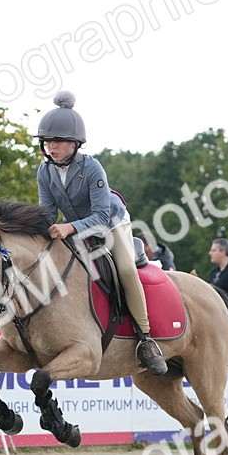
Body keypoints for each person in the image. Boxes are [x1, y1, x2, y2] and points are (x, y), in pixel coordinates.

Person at [34, 91, 166, 375]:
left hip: (111, 223)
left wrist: (68, 227)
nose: (51, 146)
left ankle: (146, 339)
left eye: (57, 141)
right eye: (47, 141)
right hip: (77, 228)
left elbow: (102, 216)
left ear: (75, 143)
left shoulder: (92, 168)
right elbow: (47, 212)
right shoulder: (44, 172)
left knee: (126, 270)